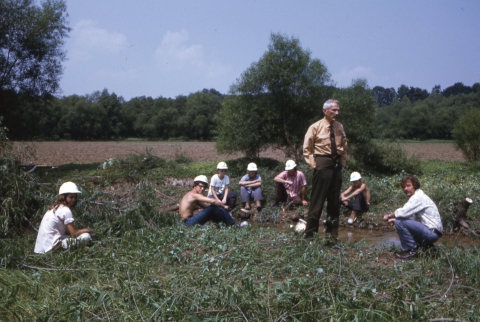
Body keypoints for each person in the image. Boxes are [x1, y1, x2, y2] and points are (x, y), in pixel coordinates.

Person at [303, 99, 347, 241]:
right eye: (334, 110)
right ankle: (310, 237)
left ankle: (331, 238)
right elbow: (307, 148)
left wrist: (342, 163)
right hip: (322, 162)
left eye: (338, 110)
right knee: (317, 202)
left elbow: (344, 145)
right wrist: (314, 165)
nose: (337, 113)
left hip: (336, 164)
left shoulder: (339, 126)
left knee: (334, 203)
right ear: (325, 111)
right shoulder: (315, 127)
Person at [383, 175, 443, 259]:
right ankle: (427, 248)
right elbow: (413, 220)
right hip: (432, 232)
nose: (405, 189)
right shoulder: (418, 196)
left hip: (431, 233)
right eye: (404, 187)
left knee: (400, 222)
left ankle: (412, 251)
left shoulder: (418, 197)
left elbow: (403, 212)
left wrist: (389, 216)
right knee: (399, 221)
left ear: (414, 185)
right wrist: (395, 219)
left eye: (408, 185)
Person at [34, 182, 92, 253]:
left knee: (75, 237)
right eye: (71, 197)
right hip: (53, 246)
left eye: (75, 197)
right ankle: (76, 248)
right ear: (64, 197)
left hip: (44, 246)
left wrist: (78, 231)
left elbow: (65, 231)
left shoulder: (55, 208)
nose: (73, 199)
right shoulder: (66, 210)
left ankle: (77, 247)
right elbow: (73, 233)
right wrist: (86, 230)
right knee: (87, 236)